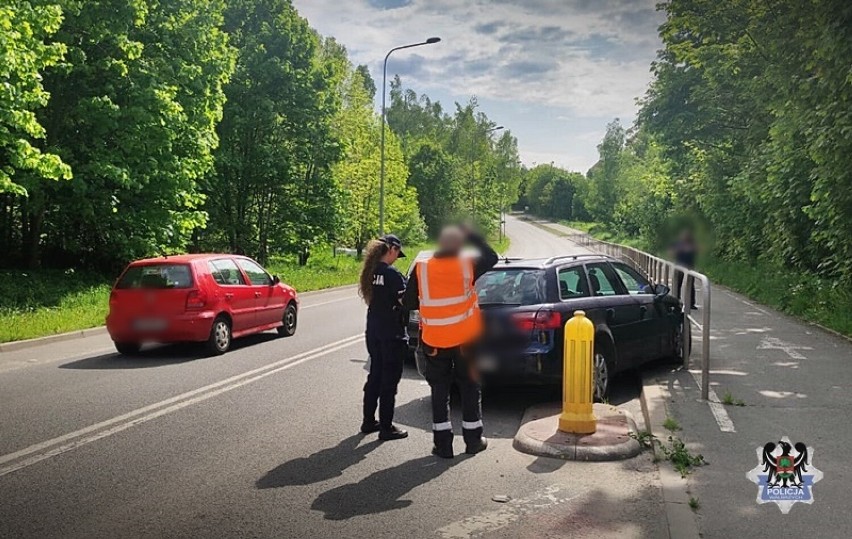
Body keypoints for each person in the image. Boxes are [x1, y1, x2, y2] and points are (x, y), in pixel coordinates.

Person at [402, 225, 498, 458]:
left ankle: (443, 445)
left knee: (439, 390)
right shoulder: (467, 266)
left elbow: (408, 303)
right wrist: (472, 235)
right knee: (469, 387)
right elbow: (492, 257)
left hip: (435, 341)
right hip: (465, 340)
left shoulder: (422, 269)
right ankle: (473, 441)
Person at [358, 234, 409, 441]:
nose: (397, 257)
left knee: (375, 376)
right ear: (392, 249)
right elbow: (405, 301)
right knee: (389, 382)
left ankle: (368, 420)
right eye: (397, 253)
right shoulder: (391, 274)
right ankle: (386, 428)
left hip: (374, 331)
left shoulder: (370, 272)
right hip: (392, 333)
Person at [672, 230, 698, 309]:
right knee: (678, 283)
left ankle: (690, 303)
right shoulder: (680, 244)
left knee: (689, 284)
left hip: (688, 266)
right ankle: (676, 300)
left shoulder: (691, 245)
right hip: (680, 266)